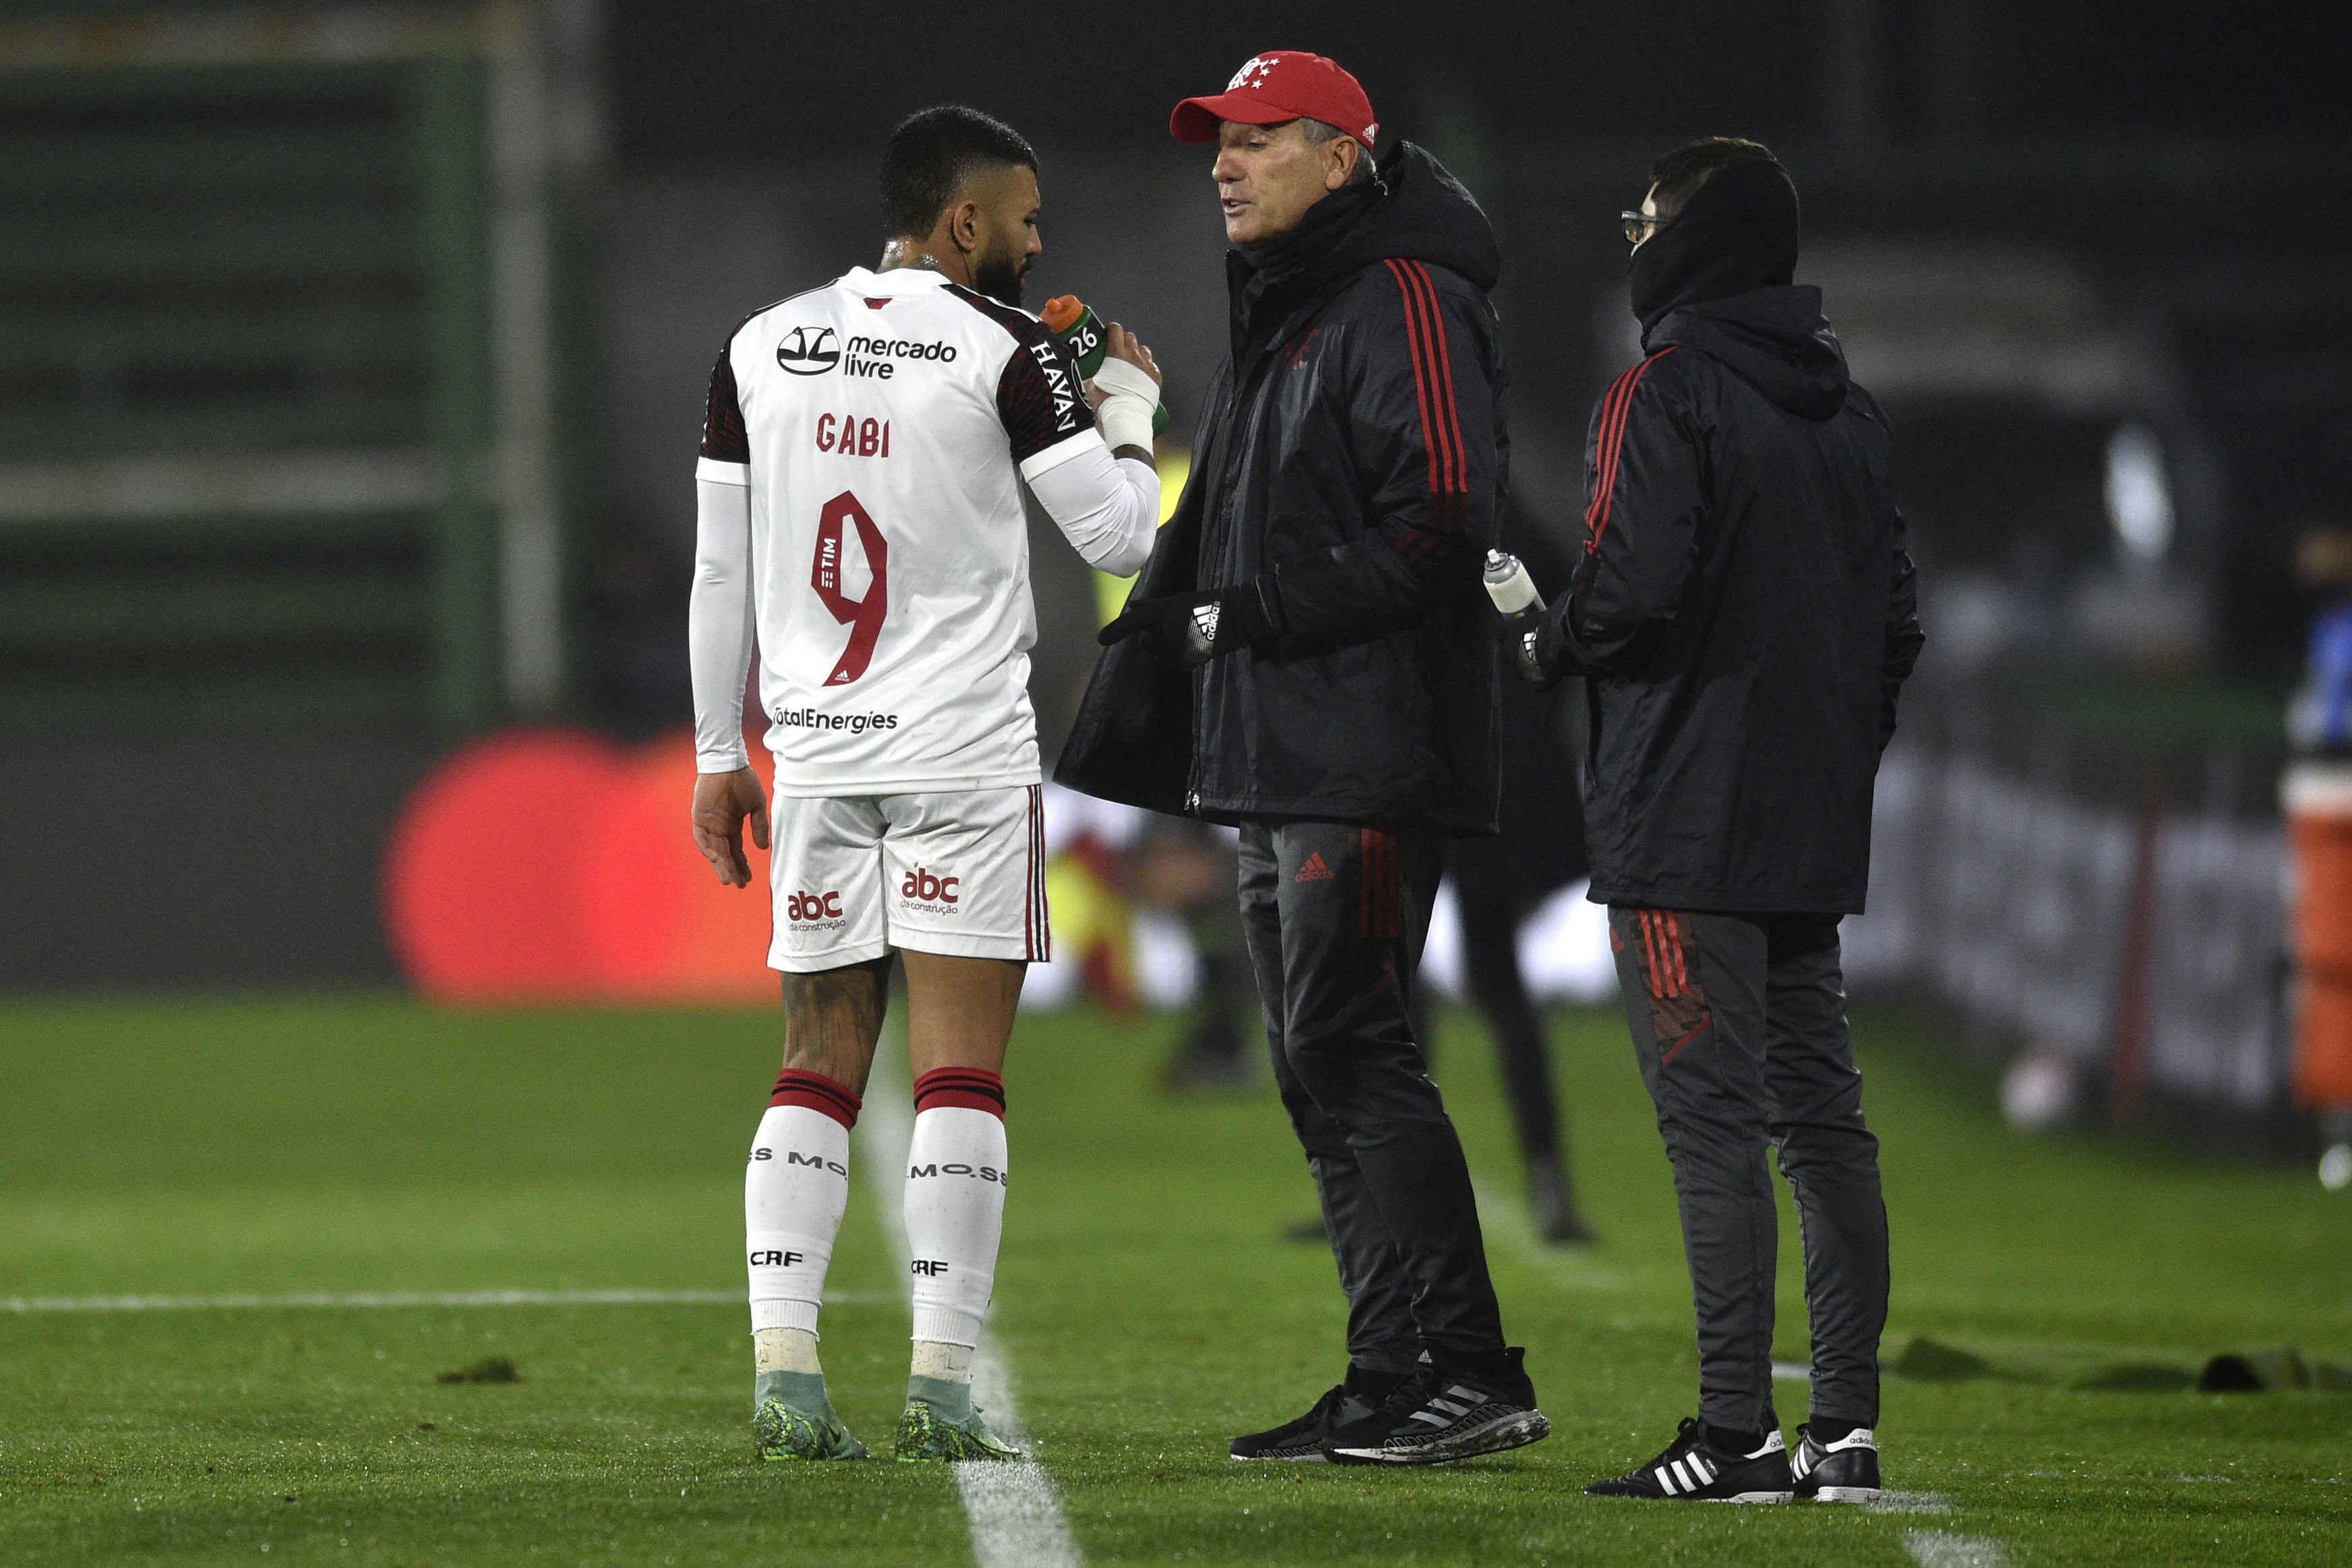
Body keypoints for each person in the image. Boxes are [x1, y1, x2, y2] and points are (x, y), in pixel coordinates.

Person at [1057, 50, 1545, 1465]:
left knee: (1351, 1042)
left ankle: (1471, 1366)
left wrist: (1243, 615)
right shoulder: (1295, 305)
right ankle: (1389, 1369)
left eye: (1260, 140)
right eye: (1219, 140)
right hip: (1282, 746)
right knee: (1309, 1059)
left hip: (1371, 746)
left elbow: (1445, 517)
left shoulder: (1404, 296)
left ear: (1344, 157)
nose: (1224, 162)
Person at [686, 105, 1168, 1462]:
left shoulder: (757, 344)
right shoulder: (1008, 349)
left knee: (817, 1063)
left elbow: (721, 573)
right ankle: (944, 1386)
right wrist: (1125, 400)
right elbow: (1119, 531)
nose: (1033, 240)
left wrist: (722, 756)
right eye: (1024, 217)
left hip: (826, 754)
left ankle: (786, 1370)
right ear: (964, 221)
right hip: (961, 754)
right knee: (961, 1073)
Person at [1514, 138, 1924, 1503]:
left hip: (1683, 823)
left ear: (1692, 241)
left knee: (1712, 1128)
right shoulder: (1848, 408)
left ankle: (1737, 1431)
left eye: (1647, 219)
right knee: (1824, 1121)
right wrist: (1829, 756)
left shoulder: (1664, 392)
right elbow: (1897, 622)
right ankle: (1847, 1430)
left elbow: (1627, 597)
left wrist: (1545, 640)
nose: (1632, 238)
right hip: (1809, 823)